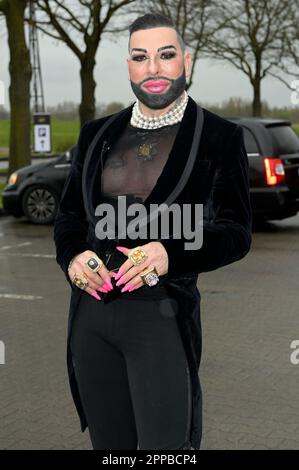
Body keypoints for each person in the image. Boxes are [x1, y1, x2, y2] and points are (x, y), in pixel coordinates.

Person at [53, 13, 252, 450]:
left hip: (161, 319)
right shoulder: (95, 135)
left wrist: (172, 255)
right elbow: (69, 217)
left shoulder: (219, 136)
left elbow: (236, 232)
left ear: (186, 60)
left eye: (165, 55)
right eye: (140, 57)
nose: (154, 67)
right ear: (128, 66)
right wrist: (72, 257)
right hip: (90, 321)